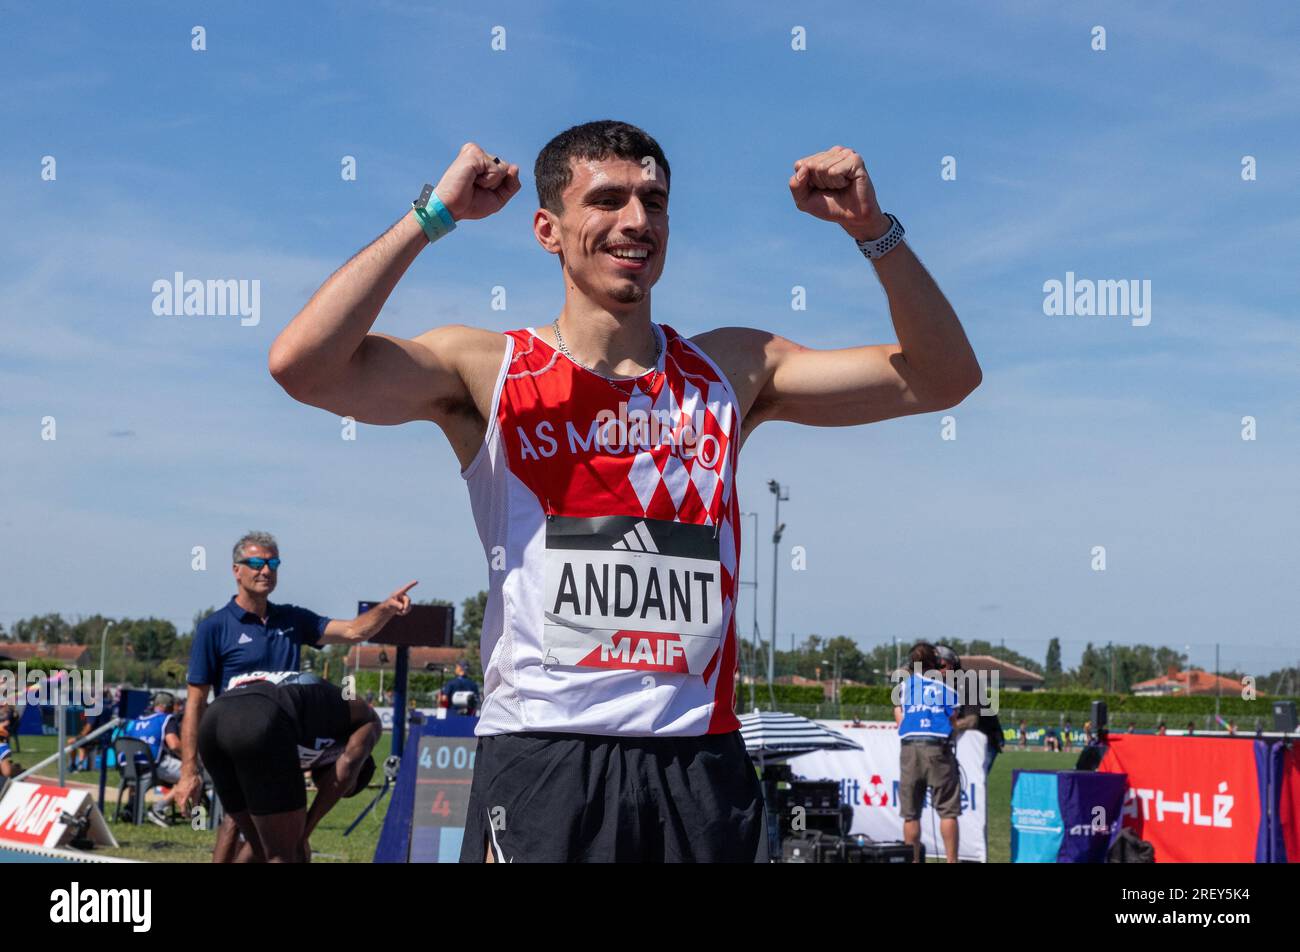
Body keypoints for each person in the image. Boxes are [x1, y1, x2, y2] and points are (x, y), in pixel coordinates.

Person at [269, 121, 981, 862]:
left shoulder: (734, 368)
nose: (637, 221)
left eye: (654, 201)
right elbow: (304, 367)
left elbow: (942, 378)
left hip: (699, 763)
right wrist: (432, 216)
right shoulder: (489, 368)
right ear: (547, 229)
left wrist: (874, 231)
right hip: (547, 756)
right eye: (607, 199)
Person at [175, 530, 416, 862]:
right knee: (241, 827)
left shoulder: (291, 619)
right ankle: (297, 838)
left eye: (273, 563)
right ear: (236, 570)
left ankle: (298, 836)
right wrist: (189, 770)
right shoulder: (214, 627)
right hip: (236, 734)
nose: (266, 570)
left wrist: (385, 609)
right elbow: (196, 701)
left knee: (265, 838)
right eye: (256, 563)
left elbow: (352, 631)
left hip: (280, 736)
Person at [197, 672, 380, 862]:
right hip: (261, 713)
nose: (329, 787)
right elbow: (348, 766)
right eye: (346, 789)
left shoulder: (314, 734)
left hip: (214, 720)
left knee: (260, 845)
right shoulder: (369, 722)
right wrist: (303, 833)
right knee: (288, 852)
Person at [893, 642, 977, 863]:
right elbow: (952, 721)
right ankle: (951, 861)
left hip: (909, 749)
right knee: (947, 811)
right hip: (937, 748)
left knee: (911, 814)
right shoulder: (946, 688)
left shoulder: (903, 686)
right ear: (936, 663)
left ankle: (913, 860)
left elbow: (900, 718)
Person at [935, 645, 1001, 776]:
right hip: (959, 737)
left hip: (983, 738)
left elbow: (972, 721)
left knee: (972, 784)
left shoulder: (967, 680)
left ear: (952, 665)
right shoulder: (934, 683)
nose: (937, 671)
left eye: (941, 666)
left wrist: (939, 729)